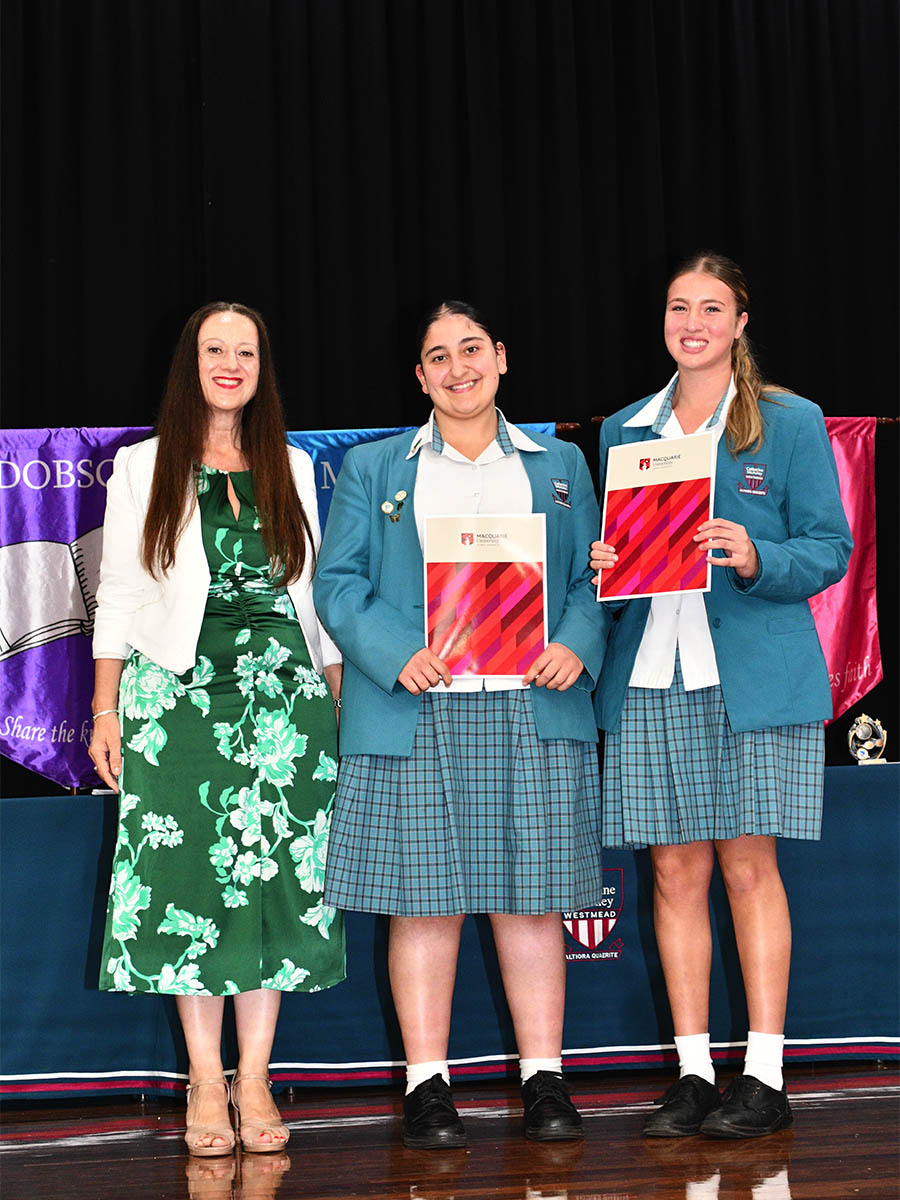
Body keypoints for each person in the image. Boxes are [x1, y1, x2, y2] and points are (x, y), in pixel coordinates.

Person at [314, 301, 609, 1148]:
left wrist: (577, 642)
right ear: (419, 376)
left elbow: (598, 575)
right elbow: (337, 584)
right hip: (418, 707)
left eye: (471, 349)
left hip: (532, 702)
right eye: (438, 356)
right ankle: (427, 1088)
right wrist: (395, 651)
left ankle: (544, 1081)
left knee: (534, 905)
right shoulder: (374, 468)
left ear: (501, 357)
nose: (458, 368)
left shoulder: (561, 464)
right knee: (422, 907)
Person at [590, 253, 852, 1139]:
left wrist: (755, 555)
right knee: (673, 873)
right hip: (650, 674)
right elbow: (611, 564)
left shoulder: (788, 420)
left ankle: (765, 1077)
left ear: (741, 322)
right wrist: (603, 565)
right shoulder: (625, 428)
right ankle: (695, 1074)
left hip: (751, 676)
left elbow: (830, 547)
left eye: (711, 308)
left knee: (748, 867)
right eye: (679, 307)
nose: (692, 323)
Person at [89, 301, 345, 1156]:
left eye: (246, 352)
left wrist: (336, 699)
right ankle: (206, 1078)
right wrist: (105, 708)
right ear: (190, 364)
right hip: (178, 698)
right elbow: (120, 595)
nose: (231, 364)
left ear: (262, 369)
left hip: (285, 699)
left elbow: (316, 596)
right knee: (192, 890)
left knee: (276, 886)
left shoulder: (292, 465)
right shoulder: (143, 466)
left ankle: (257, 1076)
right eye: (215, 350)